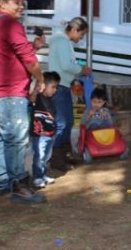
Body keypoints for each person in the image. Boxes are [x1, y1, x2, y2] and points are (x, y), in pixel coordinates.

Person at [0, 0, 46, 203]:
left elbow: (11, 53)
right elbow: (29, 61)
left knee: (5, 138)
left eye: (22, 2)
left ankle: (1, 183)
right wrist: (40, 79)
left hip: (1, 91)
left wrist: (33, 46)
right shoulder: (11, 24)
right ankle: (18, 185)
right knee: (17, 139)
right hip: (11, 92)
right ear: (2, 3)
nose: (21, 6)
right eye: (15, 1)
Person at [48, 17, 91, 170]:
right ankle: (56, 158)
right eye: (82, 34)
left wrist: (79, 68)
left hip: (62, 86)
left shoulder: (64, 42)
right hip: (59, 86)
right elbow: (66, 65)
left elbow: (68, 63)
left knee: (68, 121)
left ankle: (65, 153)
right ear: (74, 30)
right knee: (62, 123)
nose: (82, 38)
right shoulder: (62, 41)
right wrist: (81, 70)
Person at [30, 72, 60, 189]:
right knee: (40, 156)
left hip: (49, 134)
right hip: (39, 134)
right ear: (43, 85)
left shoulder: (50, 101)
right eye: (53, 87)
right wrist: (37, 90)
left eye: (56, 87)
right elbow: (31, 97)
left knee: (46, 156)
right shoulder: (37, 97)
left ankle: (42, 175)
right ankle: (37, 178)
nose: (55, 90)